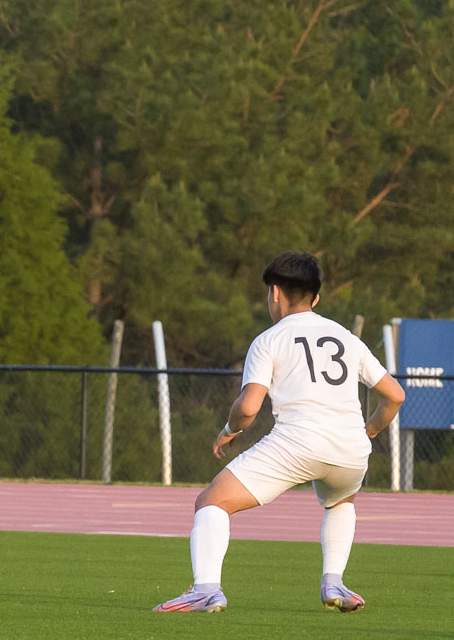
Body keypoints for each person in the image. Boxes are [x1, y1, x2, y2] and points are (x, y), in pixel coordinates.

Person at [153, 251, 405, 613]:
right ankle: (333, 582)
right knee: (340, 501)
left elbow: (249, 407)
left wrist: (229, 429)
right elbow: (395, 395)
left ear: (274, 293)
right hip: (351, 451)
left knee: (211, 502)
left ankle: (206, 589)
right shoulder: (346, 337)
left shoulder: (269, 339)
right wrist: (369, 432)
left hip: (298, 443)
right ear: (315, 298)